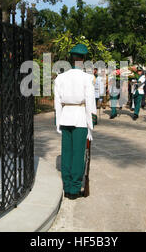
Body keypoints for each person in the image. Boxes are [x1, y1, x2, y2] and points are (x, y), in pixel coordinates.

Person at [54, 43, 96, 200]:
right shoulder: (88, 78)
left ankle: (66, 186)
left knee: (66, 154)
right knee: (78, 155)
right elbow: (90, 102)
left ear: (71, 59)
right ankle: (74, 189)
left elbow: (57, 103)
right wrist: (90, 125)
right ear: (83, 59)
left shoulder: (60, 77)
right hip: (80, 118)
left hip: (65, 116)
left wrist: (58, 122)